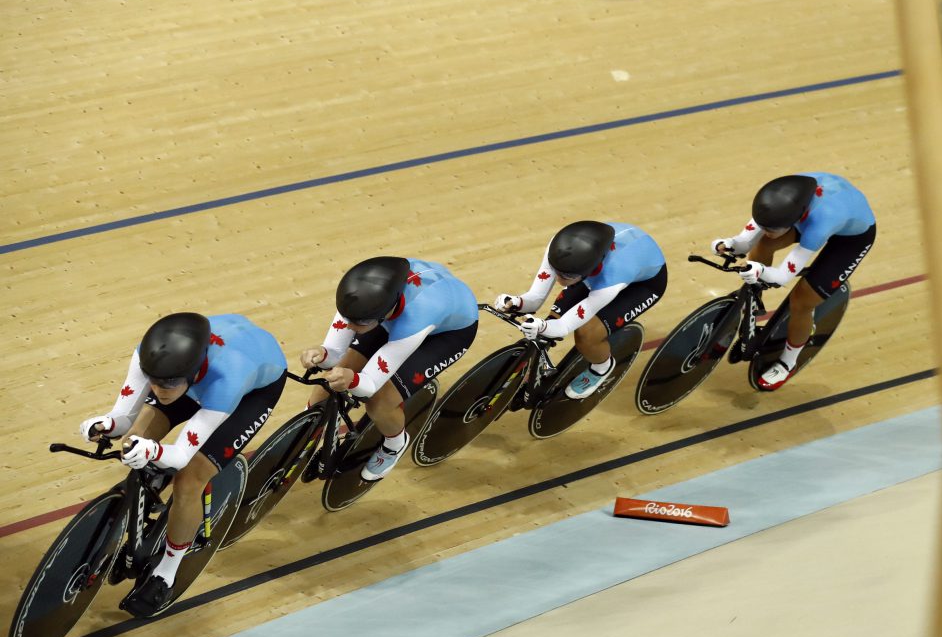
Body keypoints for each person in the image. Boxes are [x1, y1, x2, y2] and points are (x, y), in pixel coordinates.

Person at [77, 312, 288, 617]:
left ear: (189, 373)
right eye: (155, 382)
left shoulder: (227, 378)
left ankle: (168, 569)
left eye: (169, 384)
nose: (160, 391)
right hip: (198, 375)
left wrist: (155, 452)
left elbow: (181, 455)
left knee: (189, 480)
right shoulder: (150, 357)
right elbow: (124, 418)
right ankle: (146, 505)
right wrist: (106, 424)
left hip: (249, 392)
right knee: (135, 440)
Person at [299, 256, 477, 482]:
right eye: (347, 318)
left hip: (446, 334)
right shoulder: (360, 296)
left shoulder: (415, 317)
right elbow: (334, 351)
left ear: (383, 314)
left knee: (380, 401)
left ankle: (395, 444)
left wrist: (352, 380)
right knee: (326, 386)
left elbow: (370, 384)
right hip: (394, 316)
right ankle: (303, 438)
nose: (349, 327)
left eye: (358, 323)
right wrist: (321, 354)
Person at [712, 173, 876, 390]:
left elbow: (782, 277)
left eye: (771, 228)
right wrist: (730, 243)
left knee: (801, 302)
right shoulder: (780, 199)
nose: (767, 231)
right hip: (815, 214)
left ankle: (788, 362)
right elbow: (746, 241)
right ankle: (752, 304)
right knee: (764, 244)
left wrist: (761, 270)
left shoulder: (821, 221)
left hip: (850, 240)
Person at [494, 221, 666, 399]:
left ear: (589, 271)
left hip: (643, 285)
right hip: (596, 270)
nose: (559, 279)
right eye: (556, 271)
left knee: (586, 336)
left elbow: (564, 326)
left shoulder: (610, 280)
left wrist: (543, 326)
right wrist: (516, 302)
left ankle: (602, 368)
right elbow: (535, 299)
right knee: (549, 322)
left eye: (566, 275)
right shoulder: (560, 249)